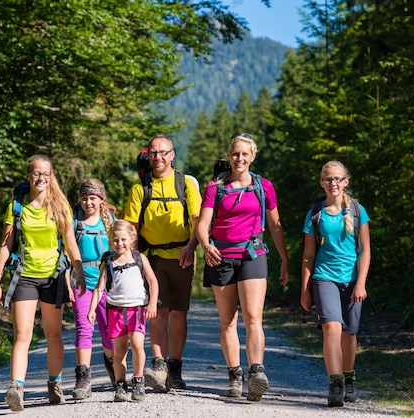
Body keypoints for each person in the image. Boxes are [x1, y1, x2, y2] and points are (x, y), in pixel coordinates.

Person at [196, 133, 289, 401]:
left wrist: (284, 258)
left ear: (253, 156)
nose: (239, 158)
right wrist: (205, 244)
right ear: (230, 154)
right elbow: (203, 224)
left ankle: (256, 372)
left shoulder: (263, 185)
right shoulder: (215, 187)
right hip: (220, 256)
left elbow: (275, 224)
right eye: (235, 154)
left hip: (253, 253)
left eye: (245, 154)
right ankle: (234, 375)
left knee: (253, 318)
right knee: (227, 321)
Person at [0, 154, 85, 411]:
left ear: (51, 175)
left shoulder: (60, 206)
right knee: (22, 334)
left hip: (53, 277)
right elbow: (6, 245)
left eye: (46, 173)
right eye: (36, 173)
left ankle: (54, 384)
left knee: (53, 334)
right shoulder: (16, 207)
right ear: (28, 175)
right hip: (25, 277)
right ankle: (16, 387)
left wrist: (79, 272)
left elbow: (71, 244)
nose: (41, 178)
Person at [122, 134, 201, 392]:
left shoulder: (186, 185)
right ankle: (158, 365)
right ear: (149, 156)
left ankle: (174, 369)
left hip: (183, 256)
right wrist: (133, 262)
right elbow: (132, 228)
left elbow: (198, 220)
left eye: (163, 152)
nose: (158, 157)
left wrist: (192, 248)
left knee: (179, 314)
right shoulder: (139, 188)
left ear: (172, 155)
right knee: (158, 312)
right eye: (154, 153)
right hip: (152, 258)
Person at [300, 160, 371, 407]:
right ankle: (335, 383)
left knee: (349, 334)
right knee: (332, 328)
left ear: (346, 182)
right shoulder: (315, 214)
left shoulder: (358, 211)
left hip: (352, 280)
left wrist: (361, 283)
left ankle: (349, 378)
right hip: (324, 277)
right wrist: (305, 289)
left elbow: (365, 251)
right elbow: (308, 255)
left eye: (337, 179)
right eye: (328, 179)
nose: (333, 183)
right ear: (322, 182)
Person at [87, 219, 159, 402]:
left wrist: (151, 304)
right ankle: (120, 385)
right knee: (119, 350)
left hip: (137, 309)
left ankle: (138, 381)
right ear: (111, 241)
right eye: (115, 240)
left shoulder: (140, 259)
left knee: (137, 345)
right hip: (116, 311)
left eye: (123, 239)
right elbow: (99, 288)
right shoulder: (108, 262)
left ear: (132, 238)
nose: (119, 244)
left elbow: (152, 281)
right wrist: (92, 309)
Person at [70, 178, 116, 400]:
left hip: (108, 285)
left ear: (101, 200)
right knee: (83, 328)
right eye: (84, 199)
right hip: (82, 285)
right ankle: (83, 378)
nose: (88, 203)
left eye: (93, 198)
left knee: (110, 332)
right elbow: (66, 254)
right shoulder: (74, 224)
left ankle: (113, 367)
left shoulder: (111, 223)